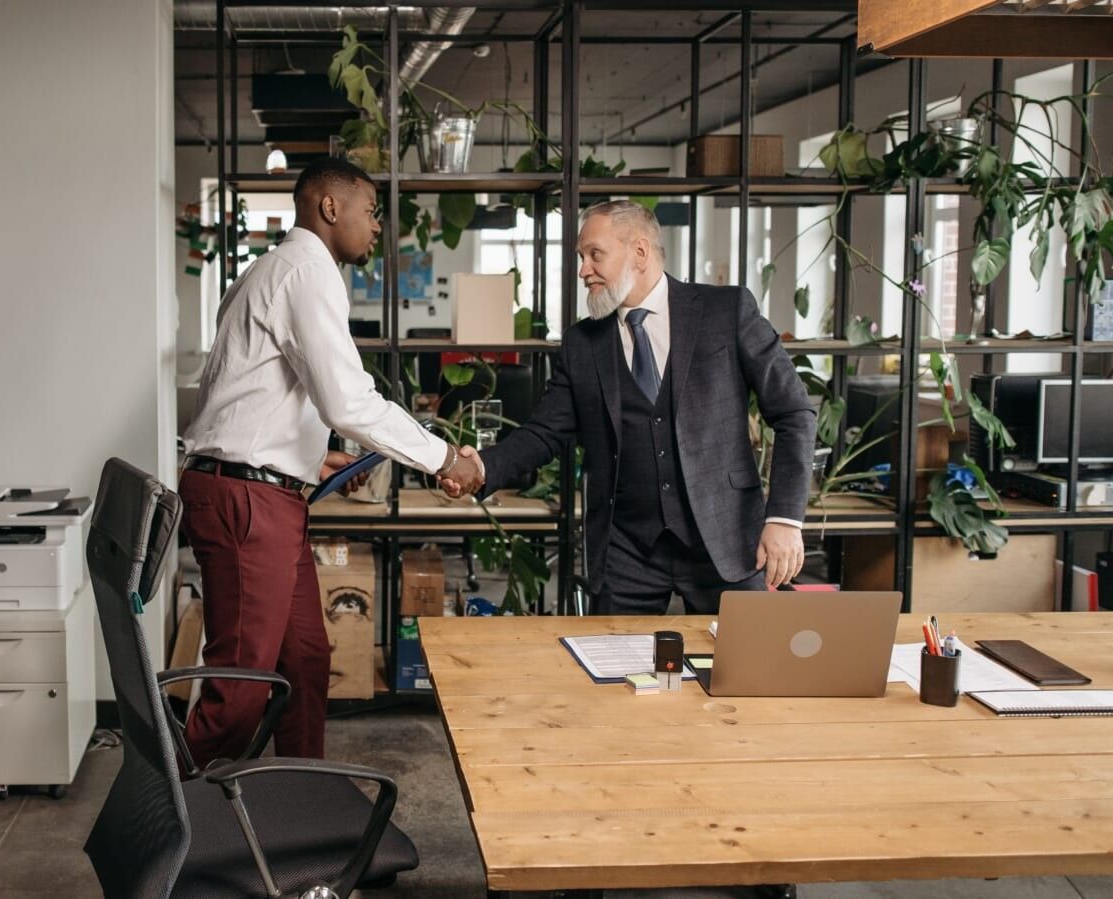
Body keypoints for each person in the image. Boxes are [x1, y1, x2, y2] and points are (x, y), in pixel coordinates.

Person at [181, 156, 480, 769]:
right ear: (329, 207)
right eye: (371, 211)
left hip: (263, 494)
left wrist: (307, 457)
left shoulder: (269, 268)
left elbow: (252, 389)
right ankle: (171, 813)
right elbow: (348, 402)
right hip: (248, 503)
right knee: (240, 688)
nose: (378, 226)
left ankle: (301, 797)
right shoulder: (308, 271)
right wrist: (444, 457)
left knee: (306, 659)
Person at [443, 200, 815, 614]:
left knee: (742, 657)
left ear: (639, 252)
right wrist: (483, 467)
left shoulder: (726, 311)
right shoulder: (582, 343)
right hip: (627, 551)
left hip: (726, 539)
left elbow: (794, 413)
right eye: (581, 257)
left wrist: (784, 519)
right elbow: (545, 431)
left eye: (594, 254)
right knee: (612, 656)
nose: (583, 270)